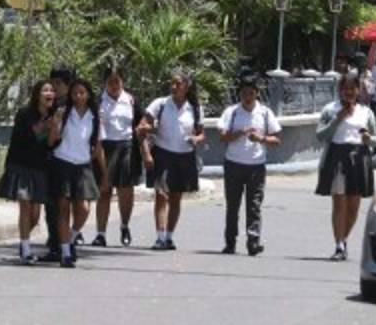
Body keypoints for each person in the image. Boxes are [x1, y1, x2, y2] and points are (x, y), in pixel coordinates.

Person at [315, 71, 376, 261]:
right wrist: (338, 119)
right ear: (340, 90)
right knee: (339, 202)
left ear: (358, 90)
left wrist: (369, 139)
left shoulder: (366, 112)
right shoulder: (330, 109)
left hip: (359, 158)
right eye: (345, 89)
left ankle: (344, 238)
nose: (349, 92)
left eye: (352, 89)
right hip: (337, 157)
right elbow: (321, 136)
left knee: (353, 204)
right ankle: (339, 244)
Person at [217, 72, 282, 256]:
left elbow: (277, 139)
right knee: (233, 205)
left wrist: (260, 138)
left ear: (256, 94)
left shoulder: (265, 113)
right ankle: (230, 242)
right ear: (240, 94)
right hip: (233, 164)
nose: (247, 97)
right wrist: (240, 133)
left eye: (251, 93)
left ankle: (253, 242)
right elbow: (222, 137)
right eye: (244, 93)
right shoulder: (232, 112)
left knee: (254, 205)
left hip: (256, 166)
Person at [139, 68, 204, 251]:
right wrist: (146, 153)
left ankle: (169, 237)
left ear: (187, 86)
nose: (174, 87)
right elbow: (142, 127)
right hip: (163, 154)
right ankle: (159, 237)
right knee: (161, 195)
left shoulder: (195, 108)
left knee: (176, 197)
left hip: (184, 156)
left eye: (178, 83)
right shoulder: (159, 104)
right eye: (172, 83)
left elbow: (201, 134)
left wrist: (195, 139)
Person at [0, 80, 58, 264]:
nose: (50, 93)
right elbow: (32, 136)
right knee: (25, 206)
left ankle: (23, 243)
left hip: (40, 167)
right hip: (21, 165)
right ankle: (26, 250)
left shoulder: (54, 115)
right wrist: (47, 125)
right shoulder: (25, 114)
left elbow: (51, 143)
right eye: (46, 90)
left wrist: (55, 127)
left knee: (35, 216)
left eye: (52, 90)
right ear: (37, 94)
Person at [47, 77, 105, 268]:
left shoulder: (95, 116)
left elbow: (97, 146)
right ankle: (65, 252)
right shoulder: (64, 113)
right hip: (63, 161)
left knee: (84, 209)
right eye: (74, 93)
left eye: (82, 93)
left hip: (83, 165)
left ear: (88, 95)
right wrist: (55, 125)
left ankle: (71, 238)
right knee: (63, 207)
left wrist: (104, 173)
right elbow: (51, 141)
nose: (78, 96)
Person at [92, 67, 141, 248]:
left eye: (117, 81)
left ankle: (124, 225)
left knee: (125, 191)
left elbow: (142, 120)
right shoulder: (98, 102)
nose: (114, 85)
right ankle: (100, 234)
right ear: (104, 83)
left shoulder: (131, 100)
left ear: (123, 82)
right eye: (110, 82)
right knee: (104, 191)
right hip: (104, 147)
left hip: (126, 147)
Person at [40, 64, 75, 262]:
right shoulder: (50, 105)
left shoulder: (73, 106)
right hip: (50, 160)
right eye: (52, 83)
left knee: (65, 206)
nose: (53, 88)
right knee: (52, 206)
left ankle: (66, 243)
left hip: (68, 161)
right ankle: (56, 244)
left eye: (58, 84)